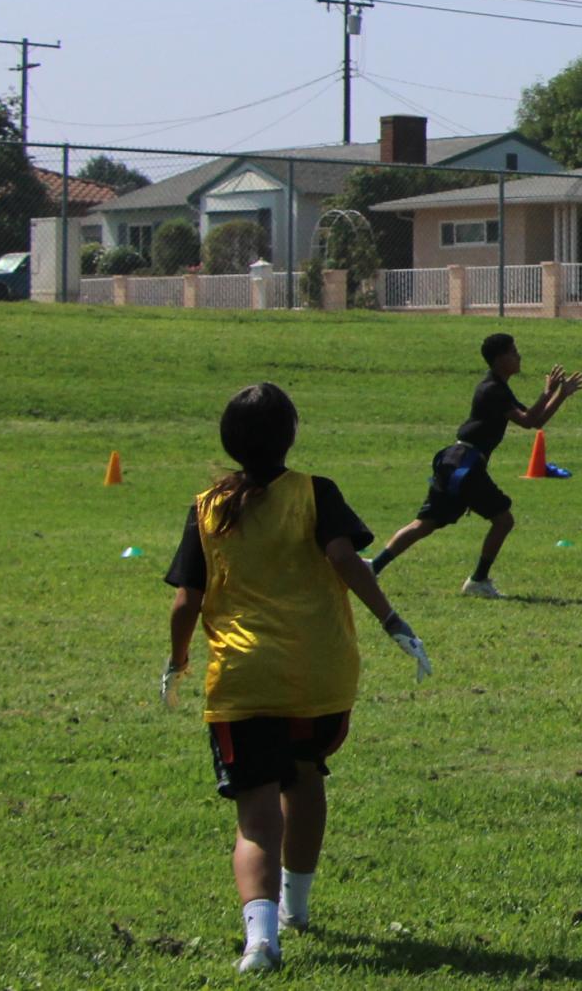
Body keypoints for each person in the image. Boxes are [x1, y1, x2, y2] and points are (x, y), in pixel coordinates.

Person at [162, 383, 432, 975]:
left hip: (242, 680)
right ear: (291, 435)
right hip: (319, 675)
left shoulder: (208, 506)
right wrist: (390, 619)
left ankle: (261, 941)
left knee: (257, 817)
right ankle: (298, 909)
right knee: (306, 777)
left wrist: (178, 659)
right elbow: (344, 559)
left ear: (229, 441)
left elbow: (186, 601)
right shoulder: (317, 492)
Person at [367, 333, 582, 597]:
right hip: (465, 464)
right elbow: (528, 420)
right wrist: (549, 392)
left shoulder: (499, 388)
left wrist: (560, 395)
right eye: (513, 351)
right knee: (503, 520)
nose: (519, 356)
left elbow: (535, 421)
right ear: (499, 359)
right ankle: (478, 580)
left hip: (455, 462)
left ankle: (374, 567)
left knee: (425, 524)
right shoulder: (492, 389)